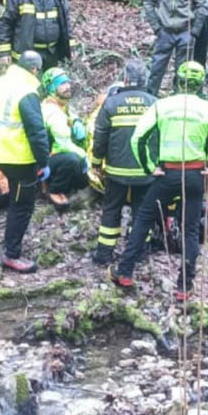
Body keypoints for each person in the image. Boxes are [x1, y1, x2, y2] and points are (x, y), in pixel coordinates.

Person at [112, 61, 208, 301]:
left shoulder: (163, 106)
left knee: (143, 219)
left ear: (177, 81)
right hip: (194, 175)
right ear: (202, 82)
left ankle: (125, 271)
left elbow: (138, 138)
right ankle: (184, 286)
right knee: (190, 229)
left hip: (167, 173)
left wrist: (149, 167)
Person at [0, 50, 50, 273]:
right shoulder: (27, 92)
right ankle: (12, 254)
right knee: (22, 205)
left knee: (16, 198)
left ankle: (11, 241)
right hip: (18, 157)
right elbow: (37, 131)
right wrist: (44, 161)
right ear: (34, 70)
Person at [89, 59, 156, 266]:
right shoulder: (155, 103)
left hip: (116, 171)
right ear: (145, 79)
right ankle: (139, 252)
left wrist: (96, 163)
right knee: (142, 212)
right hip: (146, 171)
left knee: (111, 210)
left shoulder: (111, 104)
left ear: (125, 79)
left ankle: (104, 254)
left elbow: (100, 138)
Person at [143, 0, 208, 97]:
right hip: (164, 30)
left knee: (183, 71)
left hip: (186, 30)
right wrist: (157, 28)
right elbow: (148, 1)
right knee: (157, 68)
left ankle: (179, 101)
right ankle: (149, 99)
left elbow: (201, 4)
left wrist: (195, 32)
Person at [40, 66, 89, 207]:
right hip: (49, 159)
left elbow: (68, 114)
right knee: (73, 161)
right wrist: (85, 157)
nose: (67, 86)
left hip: (55, 155)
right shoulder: (51, 111)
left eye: (67, 82)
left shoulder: (57, 104)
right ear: (51, 88)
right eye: (62, 84)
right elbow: (63, 144)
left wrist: (76, 121)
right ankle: (54, 189)